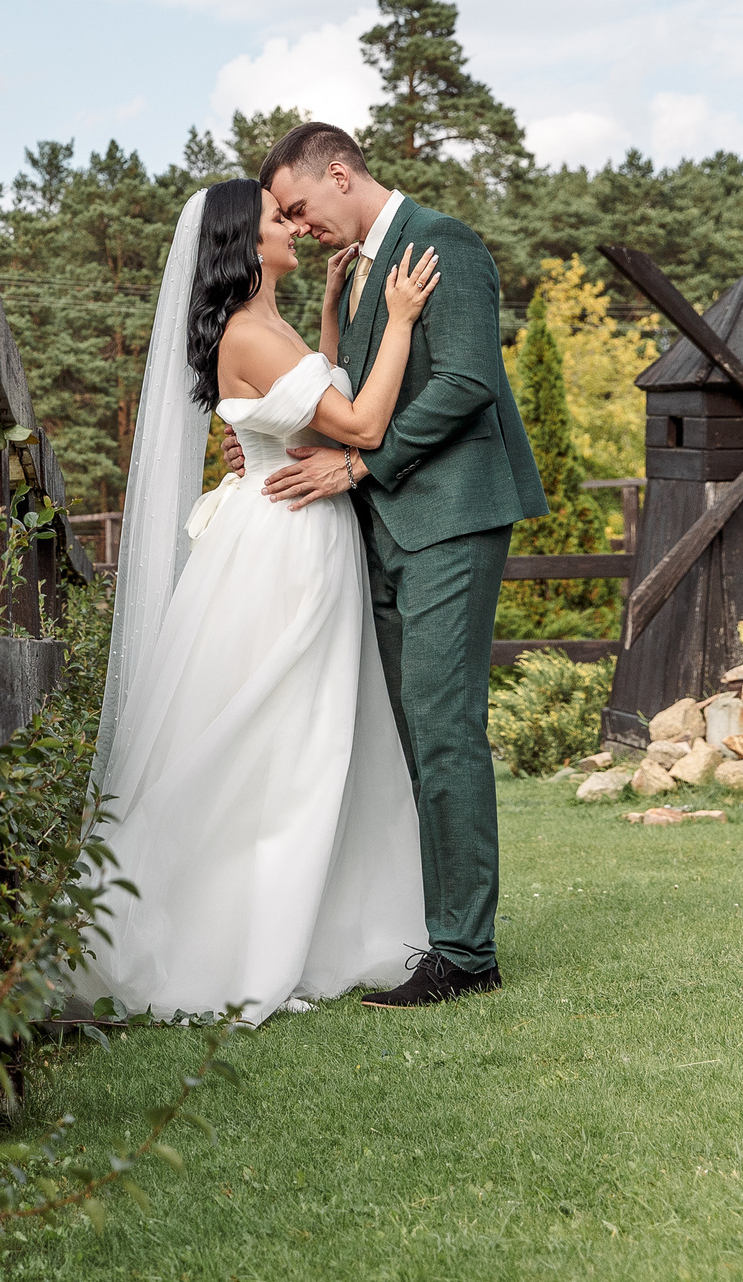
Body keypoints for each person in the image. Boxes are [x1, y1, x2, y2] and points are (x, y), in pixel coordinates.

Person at [71, 175, 436, 1023]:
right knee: (282, 739)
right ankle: (234, 942)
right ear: (245, 242)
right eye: (280, 219)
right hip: (287, 545)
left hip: (292, 528)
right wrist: (405, 320)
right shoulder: (248, 329)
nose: (296, 228)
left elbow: (301, 402)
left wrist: (337, 317)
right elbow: (363, 424)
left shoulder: (267, 323)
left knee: (304, 735)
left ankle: (294, 925)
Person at [242, 122, 549, 1007]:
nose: (297, 228)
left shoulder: (443, 242)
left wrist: (361, 464)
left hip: (450, 518)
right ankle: (435, 927)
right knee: (412, 732)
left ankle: (465, 955)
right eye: (286, 220)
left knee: (443, 725)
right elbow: (341, 391)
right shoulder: (364, 266)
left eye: (300, 208)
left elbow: (465, 381)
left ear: (341, 174)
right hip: (385, 529)